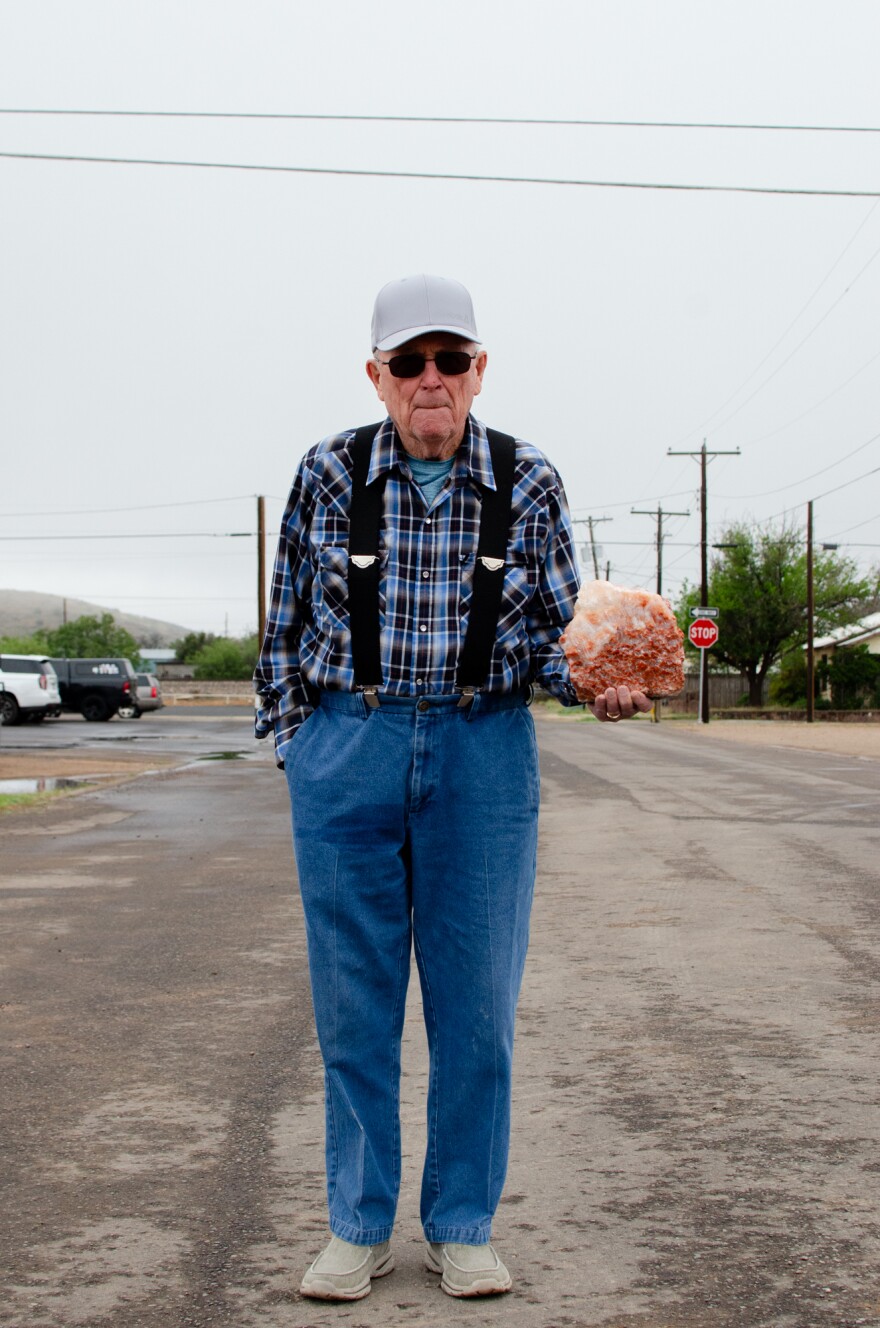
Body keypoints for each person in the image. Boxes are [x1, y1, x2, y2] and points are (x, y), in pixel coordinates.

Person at [254, 274, 649, 1302]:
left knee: (476, 1007)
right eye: (409, 361)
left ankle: (463, 1222)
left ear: (480, 370)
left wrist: (599, 683)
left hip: (482, 749)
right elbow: (286, 624)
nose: (430, 379)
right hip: (353, 740)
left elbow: (558, 633)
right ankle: (356, 1225)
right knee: (355, 1006)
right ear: (376, 372)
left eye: (450, 359)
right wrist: (302, 747)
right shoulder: (329, 471)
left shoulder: (530, 478)